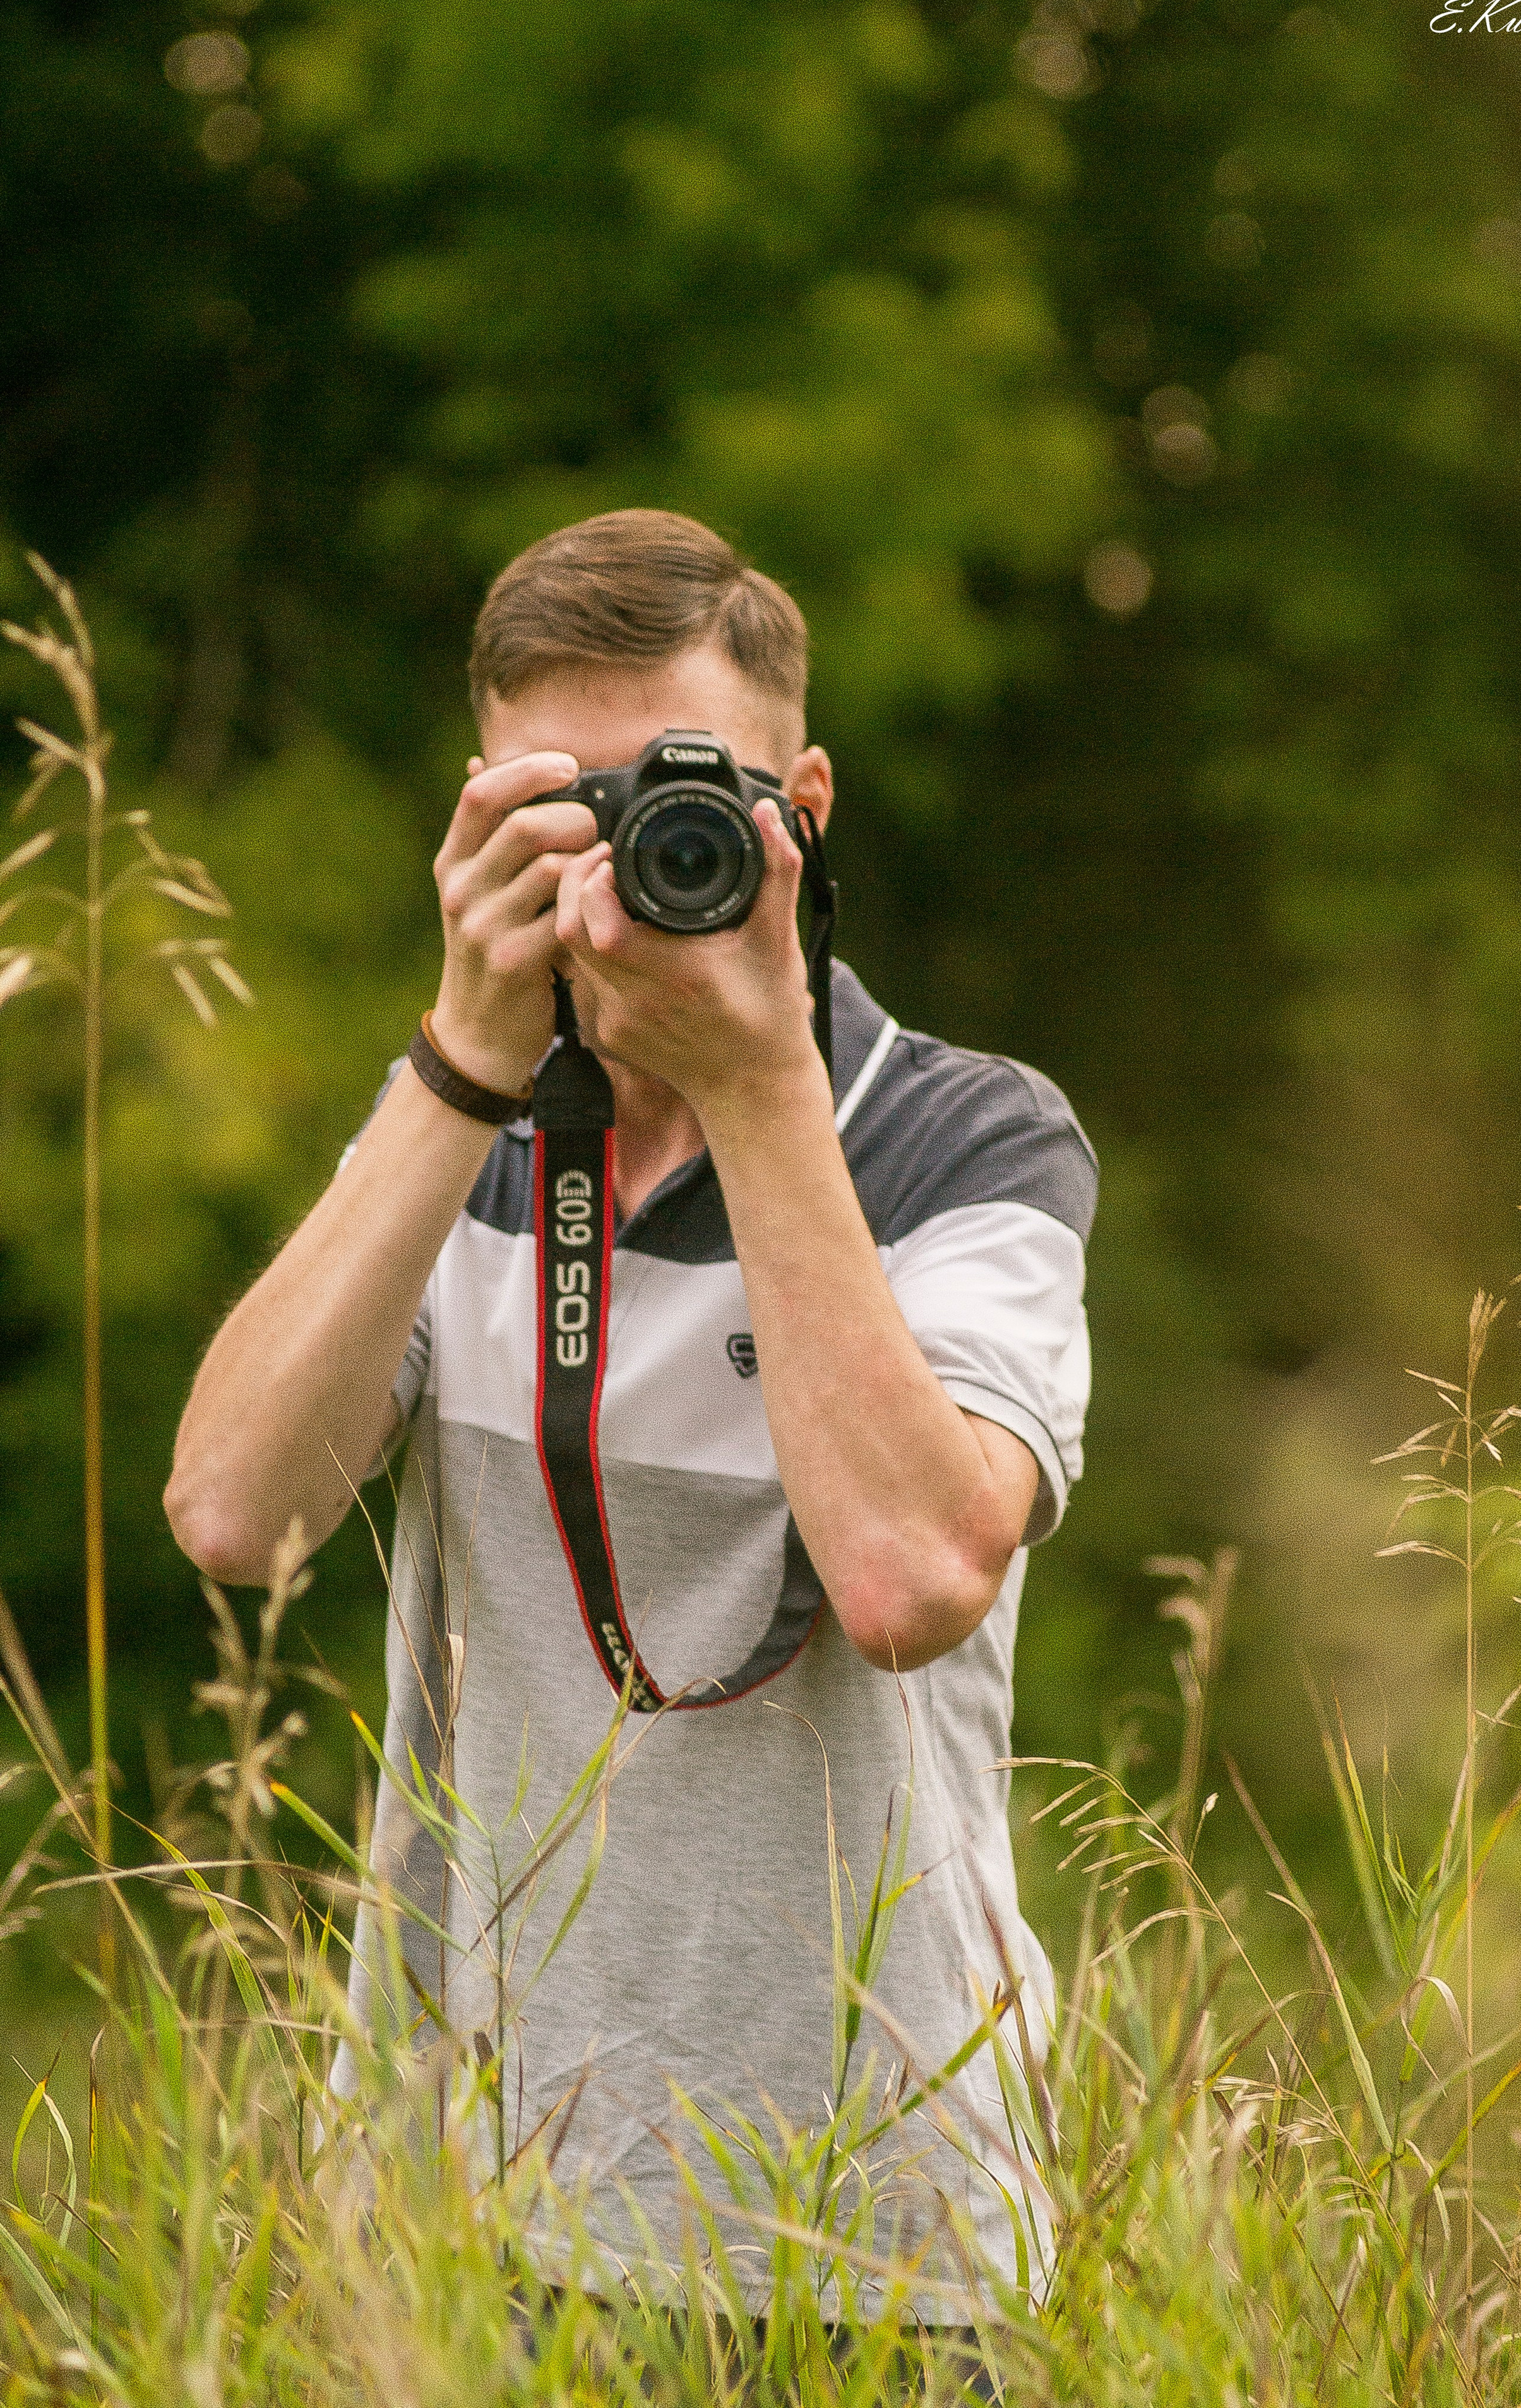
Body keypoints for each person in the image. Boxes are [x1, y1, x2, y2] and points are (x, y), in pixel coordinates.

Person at [165, 509, 1096, 2323]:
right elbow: (233, 1518)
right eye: (562, 808)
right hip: (468, 2195)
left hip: (874, 2233)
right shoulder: (458, 1134)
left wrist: (757, 1084)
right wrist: (463, 1057)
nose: (627, 856)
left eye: (681, 796)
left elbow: (911, 1581)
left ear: (801, 807)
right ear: (478, 820)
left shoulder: (965, 1142)